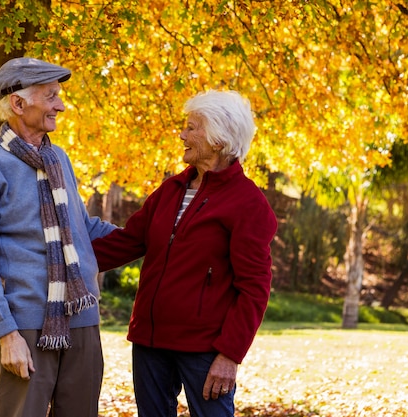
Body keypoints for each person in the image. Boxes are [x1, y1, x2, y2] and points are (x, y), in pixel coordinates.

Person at [91, 90, 277, 417]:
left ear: (219, 139)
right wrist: (61, 257)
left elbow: (254, 288)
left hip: (205, 349)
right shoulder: (172, 189)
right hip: (150, 342)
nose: (182, 135)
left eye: (192, 128)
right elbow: (128, 241)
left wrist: (230, 355)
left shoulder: (248, 204)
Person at [0, 57, 116, 417]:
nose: (60, 106)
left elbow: (80, 229)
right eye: (51, 97)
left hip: (81, 320)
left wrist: (155, 234)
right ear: (18, 103)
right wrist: (6, 333)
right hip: (27, 327)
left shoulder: (58, 158)